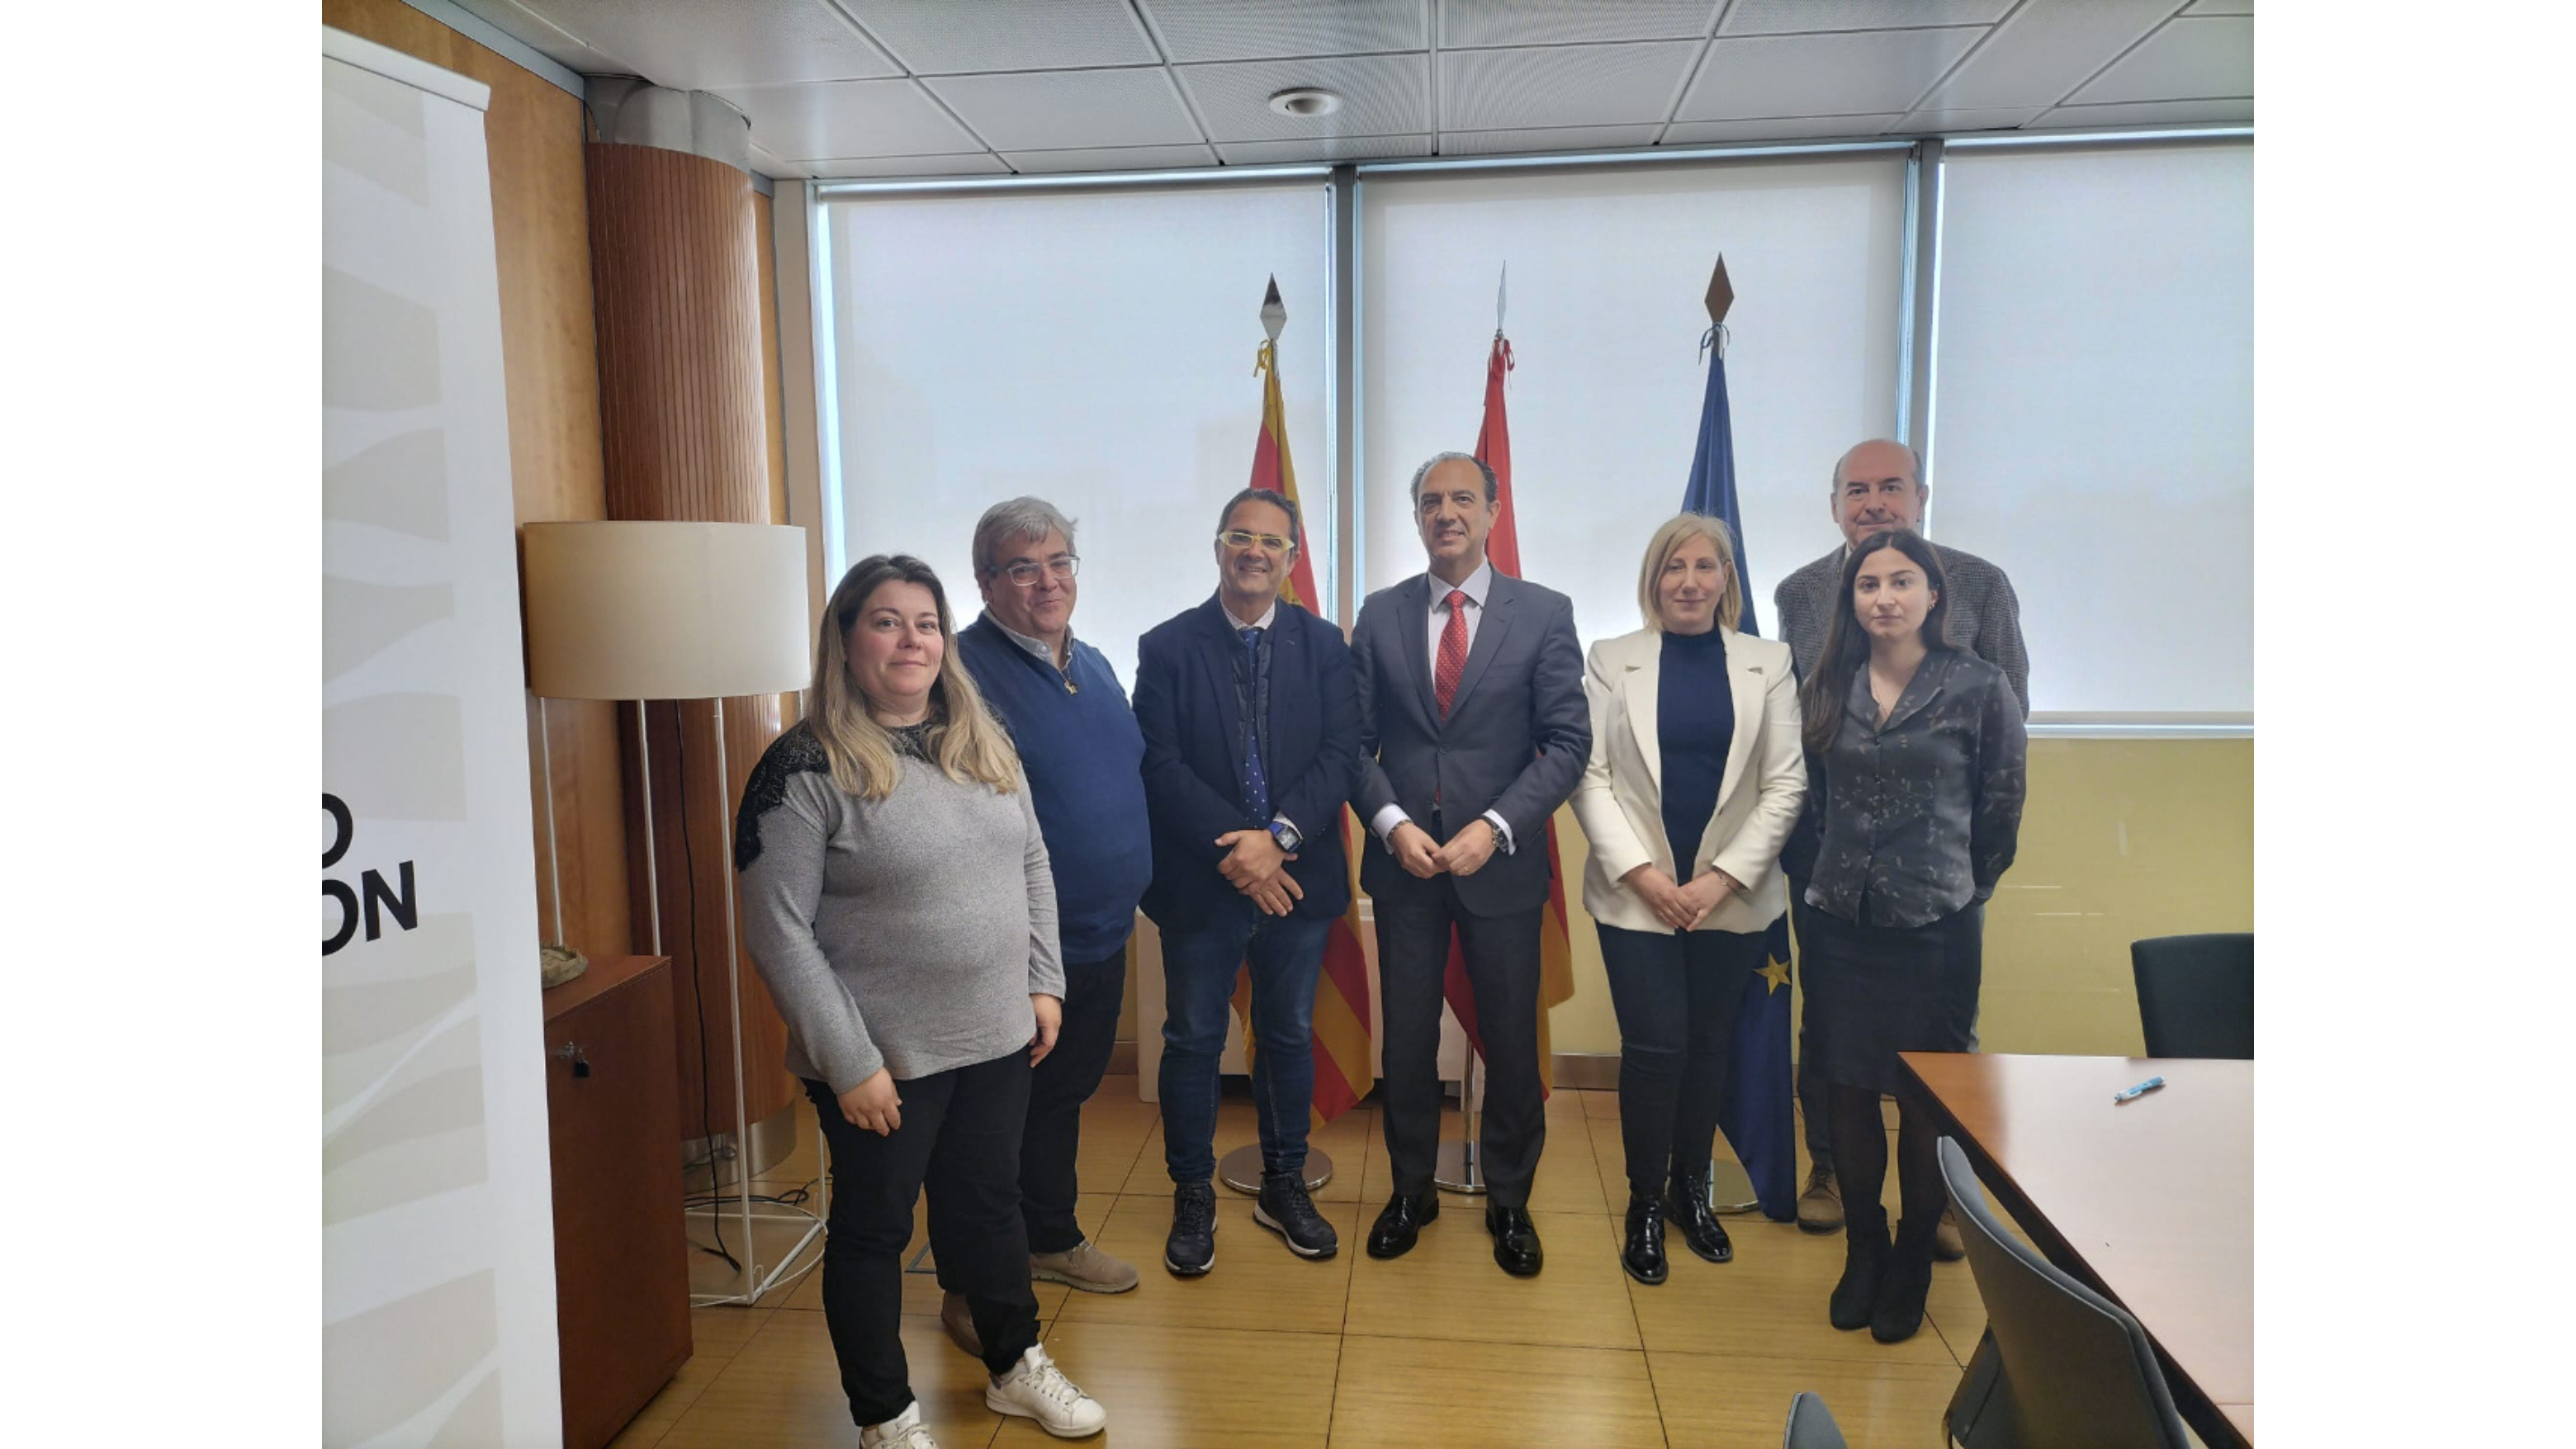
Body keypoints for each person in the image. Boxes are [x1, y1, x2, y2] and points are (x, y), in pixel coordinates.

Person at [735, 555, 1108, 1447]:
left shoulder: (979, 740)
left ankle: (1015, 1367)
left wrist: (1043, 981)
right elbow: (777, 931)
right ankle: (886, 1417)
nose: (913, 640)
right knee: (874, 1233)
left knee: (988, 1210)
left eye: (928, 623)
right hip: (880, 1059)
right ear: (847, 639)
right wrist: (849, 1062)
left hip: (996, 1036)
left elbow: (1031, 863)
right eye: (888, 621)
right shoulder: (801, 767)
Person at [1774, 438, 2029, 1253]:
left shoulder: (1980, 583)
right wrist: (1812, 860)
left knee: (1940, 1049)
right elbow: (1799, 735)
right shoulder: (1799, 592)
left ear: (1920, 494)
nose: (1874, 502)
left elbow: (2006, 735)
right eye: (1857, 489)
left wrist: (1971, 877)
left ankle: (1944, 1197)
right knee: (1832, 1037)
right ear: (1835, 504)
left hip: (1939, 874)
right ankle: (1828, 1171)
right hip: (1831, 867)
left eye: (1891, 487)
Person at [1351, 451, 1589, 1277]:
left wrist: (1495, 824)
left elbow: (1567, 744)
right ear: (1416, 518)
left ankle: (1511, 1199)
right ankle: (1410, 1188)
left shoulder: (1544, 612)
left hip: (1502, 866)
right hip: (1406, 867)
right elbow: (1354, 743)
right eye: (1429, 501)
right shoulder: (1378, 616)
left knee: (1512, 1042)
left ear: (1492, 510)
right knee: (1408, 1043)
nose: (1444, 512)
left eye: (1461, 498)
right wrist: (1387, 822)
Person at [936, 499, 1152, 1352]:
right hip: (1018, 947)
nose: (1046, 581)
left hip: (1100, 933)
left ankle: (1050, 1239)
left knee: (1061, 1099)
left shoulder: (1092, 664)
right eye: (1022, 568)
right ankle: (966, 1285)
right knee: (985, 1127)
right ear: (986, 582)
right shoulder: (963, 677)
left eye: (1058, 561)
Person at [1568, 515, 1806, 1286]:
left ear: (1726, 581)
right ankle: (1643, 1201)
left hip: (1730, 899)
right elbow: (1589, 775)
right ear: (1654, 577)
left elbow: (1785, 782)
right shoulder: (1612, 660)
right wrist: (1643, 874)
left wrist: (1720, 879)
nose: (1691, 581)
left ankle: (1688, 1190)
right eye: (1676, 566)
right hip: (1637, 898)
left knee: (1708, 1046)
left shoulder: (1768, 663)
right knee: (1655, 1047)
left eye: (1707, 567)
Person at [1132, 487, 1361, 1276]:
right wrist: (1241, 851)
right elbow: (1159, 764)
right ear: (1219, 546)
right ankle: (1192, 1192)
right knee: (1193, 1037)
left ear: (1292, 558)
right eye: (1239, 536)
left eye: (1270, 541)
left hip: (1298, 878)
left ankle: (1284, 1181)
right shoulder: (1164, 647)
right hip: (1203, 880)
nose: (1253, 551)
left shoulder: (1327, 643)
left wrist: (1281, 840)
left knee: (1289, 1033)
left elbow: (1342, 749)